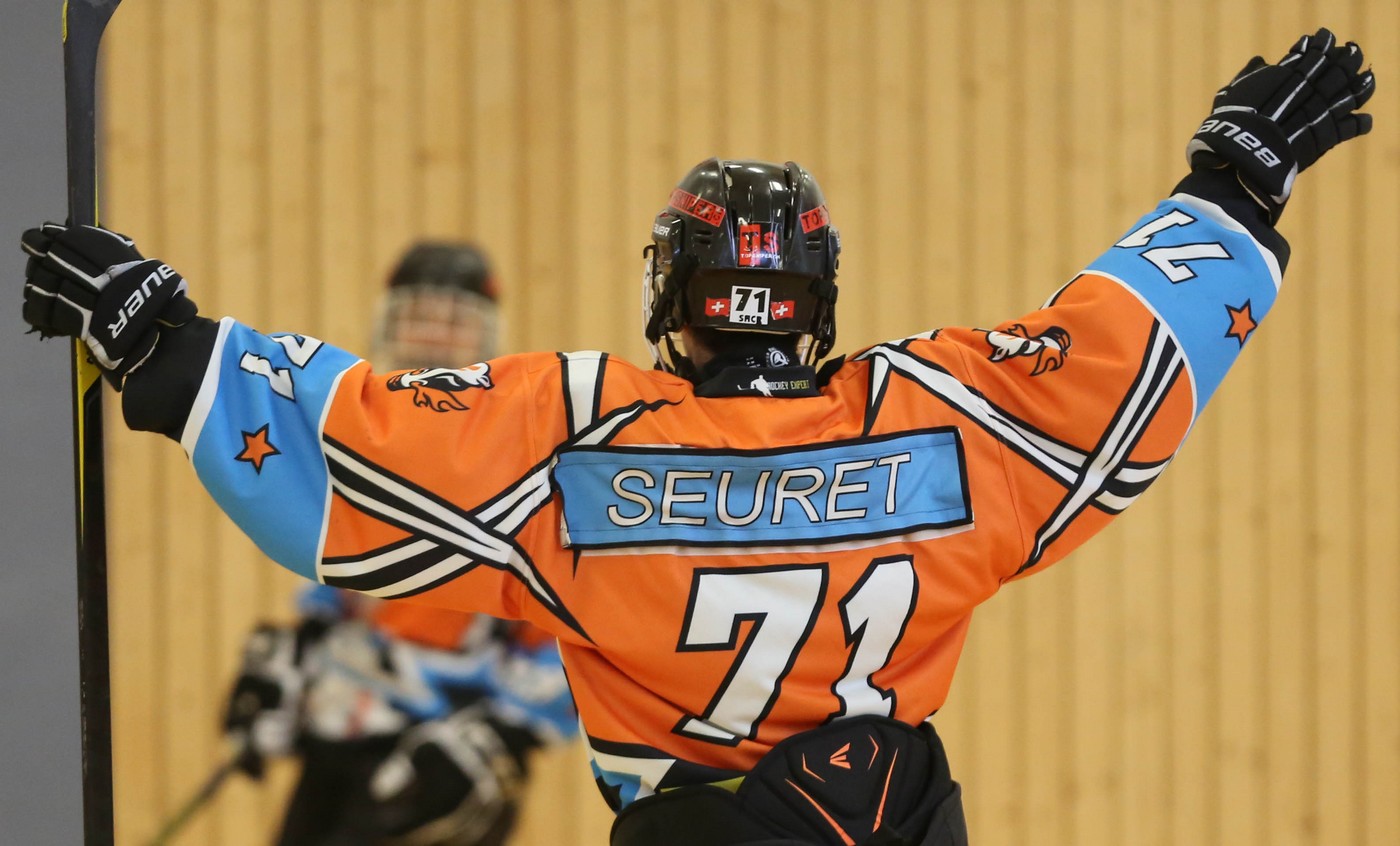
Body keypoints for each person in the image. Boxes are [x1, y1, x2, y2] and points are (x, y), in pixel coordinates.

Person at [19, 29, 1374, 846]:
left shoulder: (576, 438)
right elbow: (1118, 360)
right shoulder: (944, 418)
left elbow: (355, 449)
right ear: (818, 297)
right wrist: (1233, 188)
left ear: (671, 294)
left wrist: (166, 341)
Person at [221, 242, 577, 846]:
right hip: (346, 736)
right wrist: (286, 667)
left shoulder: (530, 461)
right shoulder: (358, 443)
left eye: (455, 320)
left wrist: (503, 737)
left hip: (442, 754)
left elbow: (564, 628)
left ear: (486, 336)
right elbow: (337, 588)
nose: (434, 336)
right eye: (418, 315)